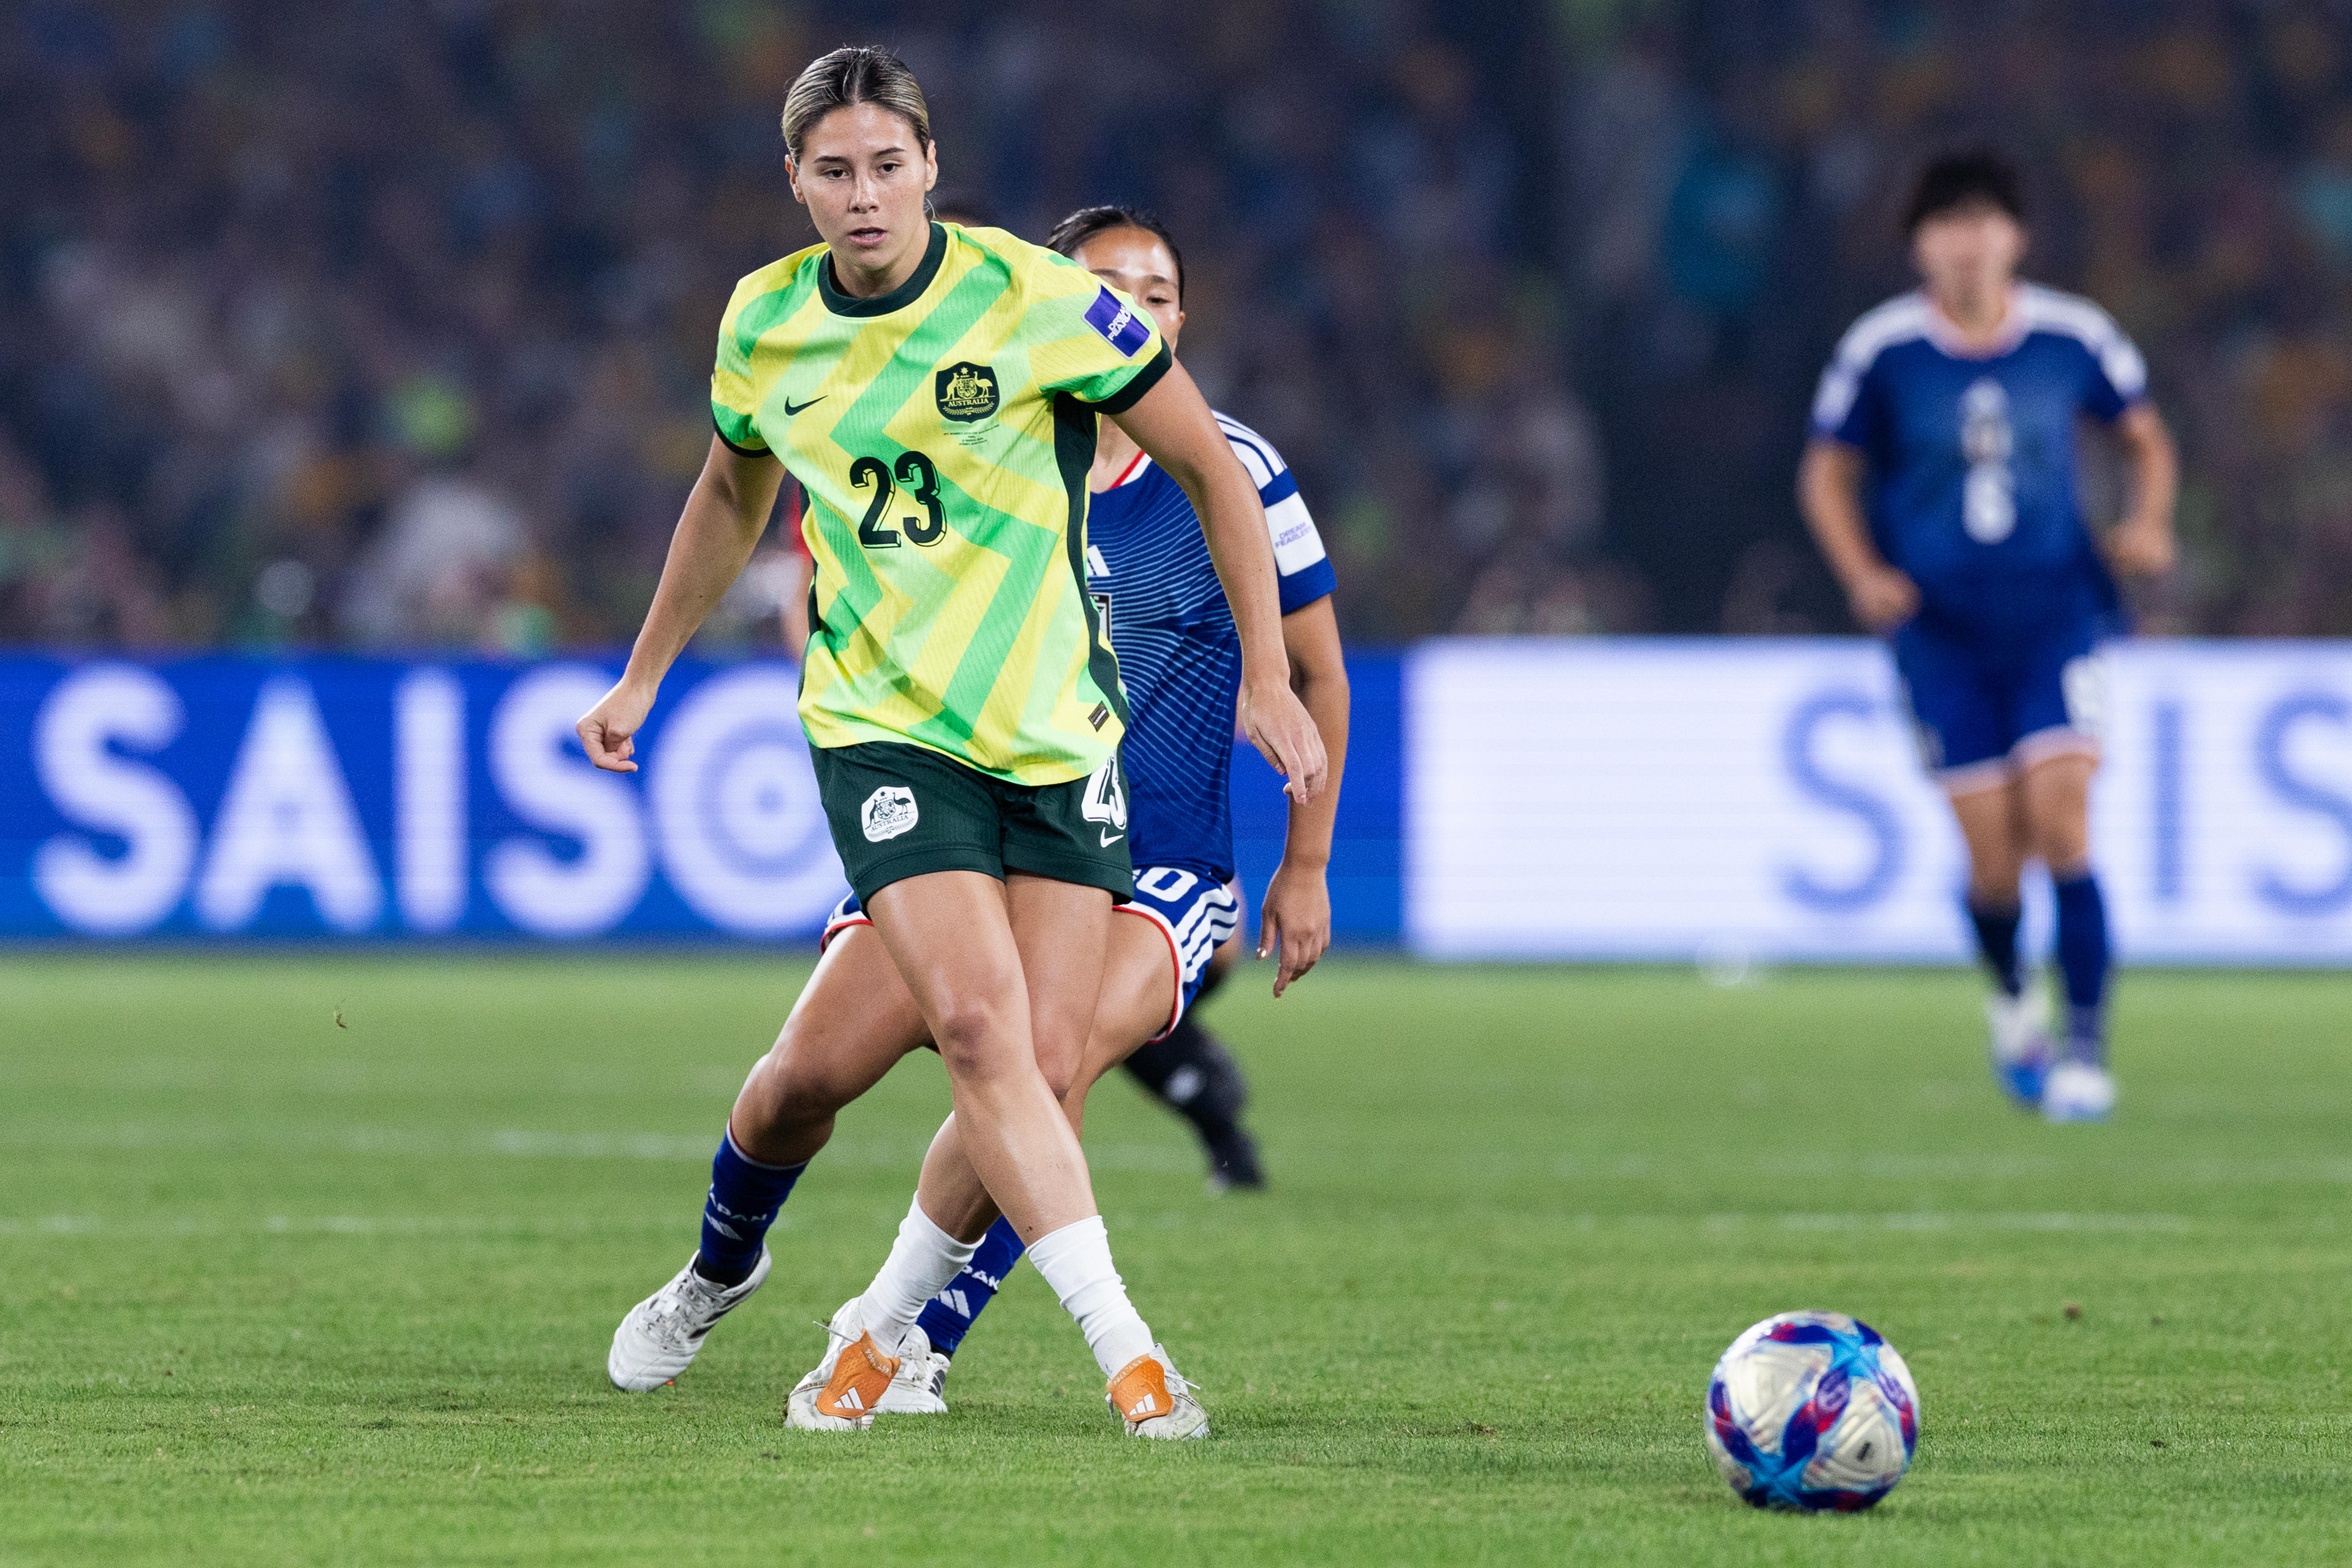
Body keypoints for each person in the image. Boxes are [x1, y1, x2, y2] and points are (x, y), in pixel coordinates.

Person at [580, 46, 1323, 1439]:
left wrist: (1269, 676)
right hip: (887, 731)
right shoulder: (765, 323)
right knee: (932, 1047)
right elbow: (729, 495)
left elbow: (1211, 466)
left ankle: (873, 1336)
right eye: (834, 171)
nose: (863, 195)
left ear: (931, 165)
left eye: (886, 165)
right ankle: (1108, 1356)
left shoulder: (1035, 300)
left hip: (1052, 743)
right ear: (795, 181)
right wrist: (644, 673)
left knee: (1018, 1068)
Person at [863, 202, 1348, 1398]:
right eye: (1103, 286)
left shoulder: (1233, 467)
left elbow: (1319, 670)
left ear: (1182, 319)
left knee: (1050, 1065)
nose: (1133, 308)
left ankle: (910, 1340)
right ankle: (759, 1280)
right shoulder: (989, 444)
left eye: (1158, 292)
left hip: (1165, 855)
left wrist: (1305, 864)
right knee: (830, 1072)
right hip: (1008, 841)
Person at [1798, 149, 2177, 1123]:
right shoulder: (1882, 350)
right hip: (1940, 635)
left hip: (2057, 618)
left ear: (2017, 237)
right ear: (1918, 245)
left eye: (1983, 222)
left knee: (2064, 824)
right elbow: (1826, 471)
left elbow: (2144, 436)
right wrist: (1862, 573)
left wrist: (2146, 522)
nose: (1966, 244)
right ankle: (2014, 999)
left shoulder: (2073, 335)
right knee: (1993, 859)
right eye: (1946, 225)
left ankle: (2086, 1048)